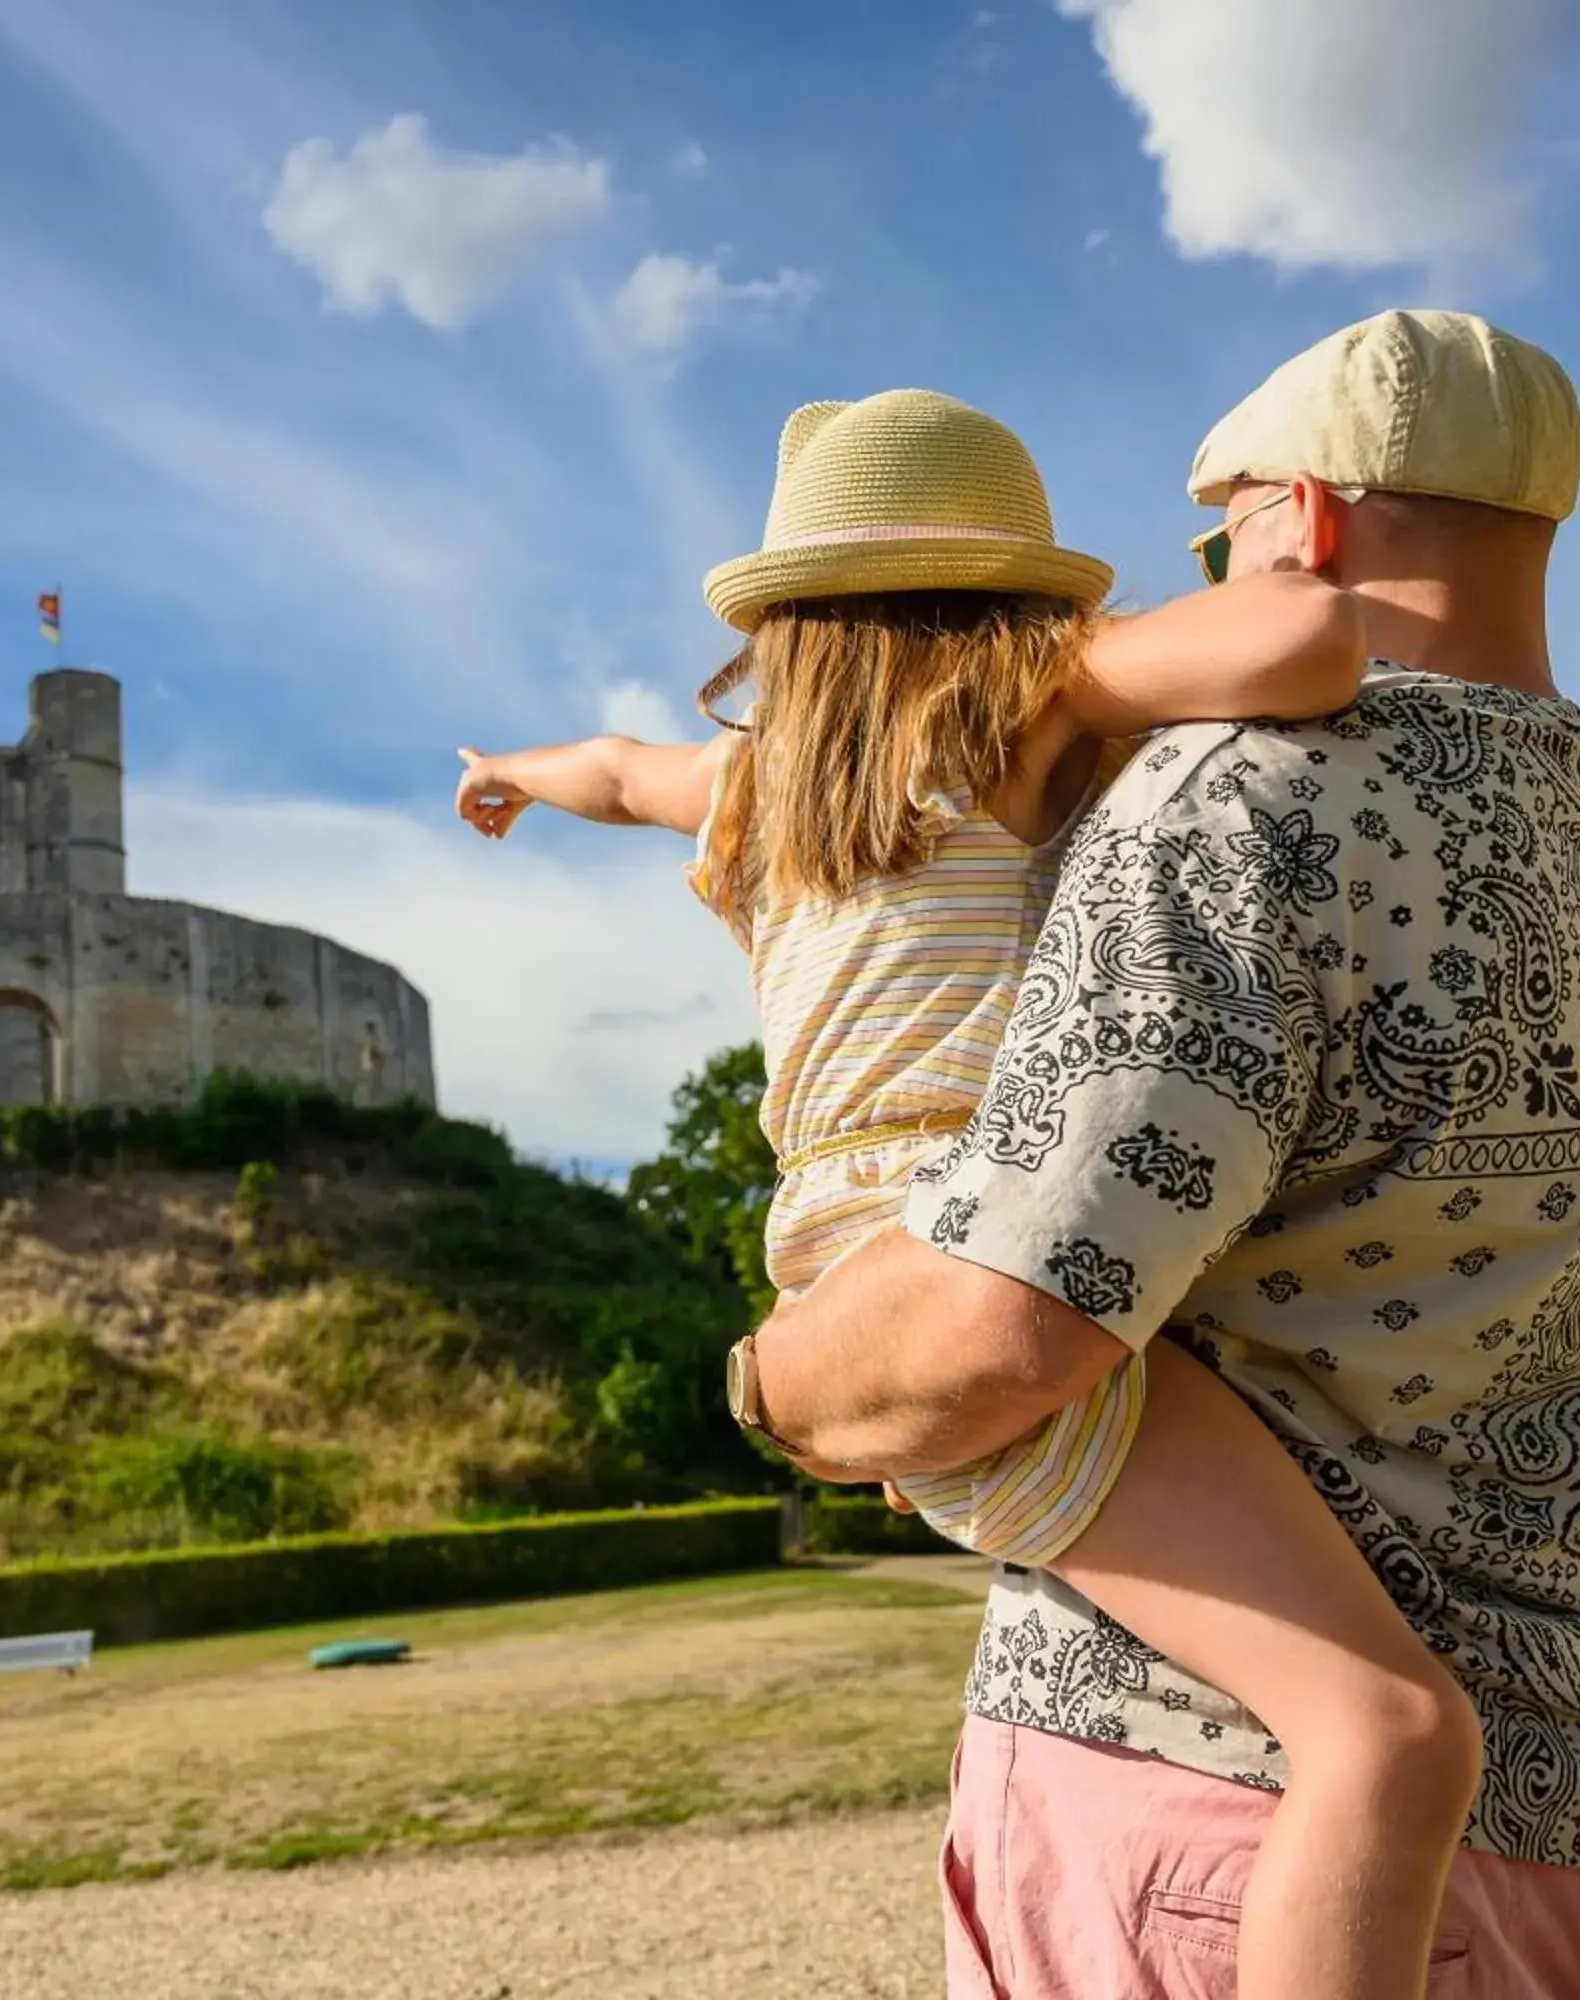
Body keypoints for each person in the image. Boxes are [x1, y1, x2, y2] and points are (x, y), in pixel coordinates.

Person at [738, 314, 1580, 1997]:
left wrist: (776, 1378)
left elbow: (1009, 1324)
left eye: (1217, 546)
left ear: (1305, 521)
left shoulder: (1241, 799)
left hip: (1217, 1823)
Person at [456, 388, 1483, 2000]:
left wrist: (506, 770)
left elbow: (604, 766)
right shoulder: (1017, 705)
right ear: (1011, 591)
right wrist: (1128, 628)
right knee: (1392, 1730)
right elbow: (1312, 644)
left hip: (850, 1253)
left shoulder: (754, 785)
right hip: (985, 1233)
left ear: (782, 623)